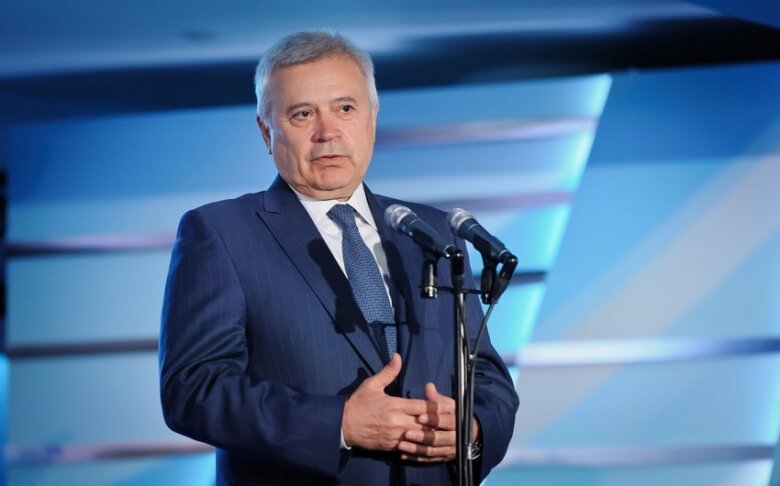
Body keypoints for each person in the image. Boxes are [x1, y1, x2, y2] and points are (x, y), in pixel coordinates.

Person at [159, 30, 518, 485]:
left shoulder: (433, 232)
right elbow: (193, 389)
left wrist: (472, 429)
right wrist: (340, 424)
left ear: (372, 117)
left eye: (345, 108)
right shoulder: (221, 233)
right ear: (267, 131)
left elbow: (485, 375)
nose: (328, 133)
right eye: (302, 114)